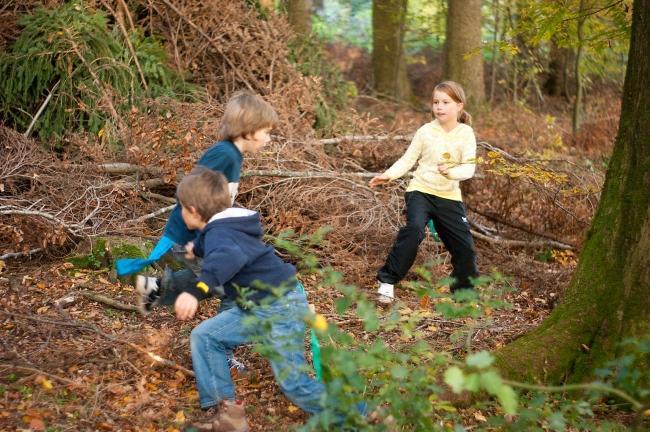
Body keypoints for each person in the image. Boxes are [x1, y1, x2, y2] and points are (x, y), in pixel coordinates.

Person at [173, 168, 325, 432]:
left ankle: (361, 416)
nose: (180, 213)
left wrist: (196, 292)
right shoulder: (224, 228)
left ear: (194, 211)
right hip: (257, 307)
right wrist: (195, 249)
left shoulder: (221, 235)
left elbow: (226, 257)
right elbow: (215, 242)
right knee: (207, 337)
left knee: (295, 384)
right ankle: (228, 415)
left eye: (181, 208)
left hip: (280, 309)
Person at [114, 90, 277, 315]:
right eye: (266, 132)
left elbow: (218, 203)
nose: (269, 139)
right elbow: (191, 191)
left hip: (202, 234)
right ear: (249, 131)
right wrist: (202, 238)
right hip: (190, 235)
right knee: (230, 280)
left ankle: (156, 288)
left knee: (217, 272)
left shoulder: (233, 156)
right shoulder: (224, 155)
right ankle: (220, 336)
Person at [369, 81, 479, 303]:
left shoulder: (466, 133)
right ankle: (387, 281)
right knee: (415, 229)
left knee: (465, 247)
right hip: (421, 190)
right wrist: (388, 175)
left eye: (445, 102)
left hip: (449, 196)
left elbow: (469, 167)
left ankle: (463, 294)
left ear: (459, 106)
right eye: (436, 102)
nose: (439, 107)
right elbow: (408, 159)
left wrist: (452, 173)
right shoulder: (425, 131)